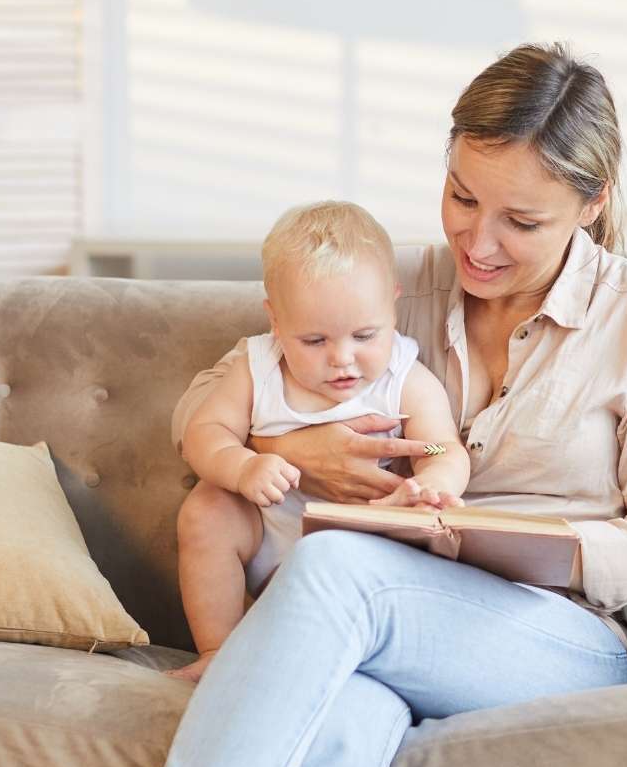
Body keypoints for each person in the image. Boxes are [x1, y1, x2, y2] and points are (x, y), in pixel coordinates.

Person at [143, 42, 627, 767]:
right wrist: (300, 446)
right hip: (384, 626)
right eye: (462, 198)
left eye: (521, 222)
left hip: (554, 634)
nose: (478, 243)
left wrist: (536, 546)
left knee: (337, 570)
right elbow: (200, 407)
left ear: (592, 203)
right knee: (345, 713)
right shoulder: (389, 286)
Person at [166, 201, 470, 683]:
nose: (342, 359)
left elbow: (440, 447)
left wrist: (430, 483)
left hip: (363, 548)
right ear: (276, 321)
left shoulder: (401, 376)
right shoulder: (258, 367)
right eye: (313, 341)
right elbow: (207, 432)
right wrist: (242, 466)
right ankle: (218, 651)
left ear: (392, 304)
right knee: (206, 510)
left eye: (365, 335)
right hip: (266, 535)